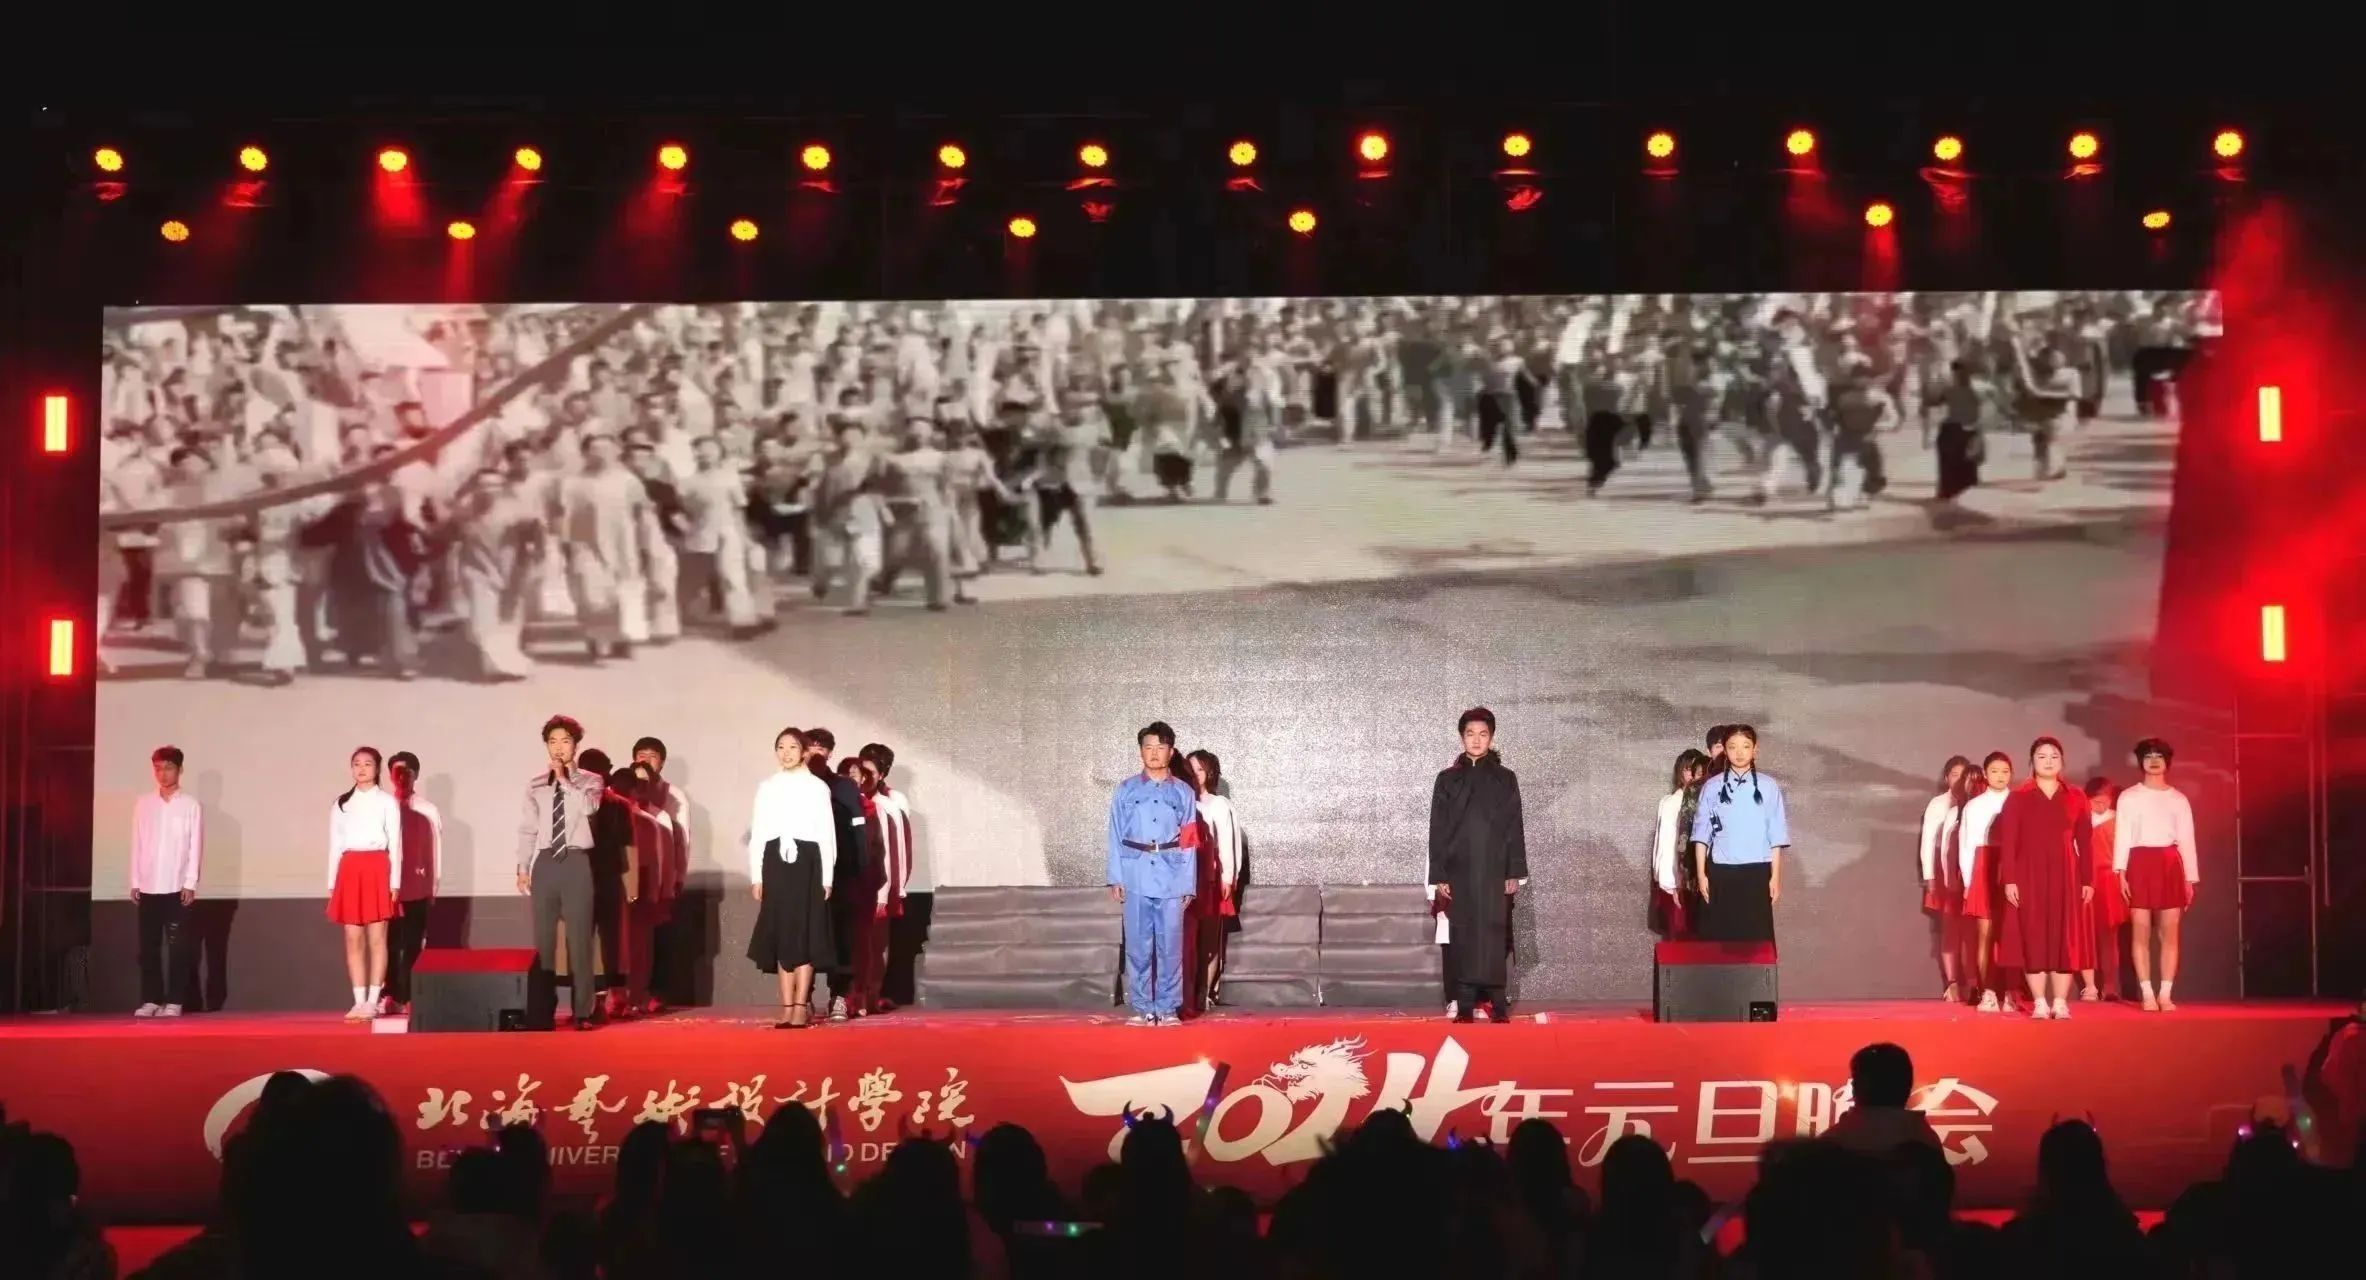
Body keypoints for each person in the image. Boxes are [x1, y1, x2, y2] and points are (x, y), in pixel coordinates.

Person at [1429, 707, 1528, 1022]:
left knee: (1495, 934)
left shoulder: (1505, 778)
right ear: (1462, 737)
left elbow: (1514, 826)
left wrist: (1514, 872)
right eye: (1470, 733)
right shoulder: (1447, 779)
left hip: (1495, 869)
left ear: (1491, 738)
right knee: (1463, 935)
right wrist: (1439, 874)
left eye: (1483, 734)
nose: (1476, 740)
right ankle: (1464, 1004)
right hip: (1459, 870)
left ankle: (1498, 1004)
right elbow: (1438, 829)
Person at [517, 715, 606, 1030]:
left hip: (576, 861)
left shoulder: (591, 781)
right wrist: (523, 866)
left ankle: (583, 1011)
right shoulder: (535, 784)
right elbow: (528, 828)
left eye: (565, 741)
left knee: (579, 940)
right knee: (543, 943)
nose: (558, 748)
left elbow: (590, 808)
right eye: (553, 742)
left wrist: (565, 781)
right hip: (545, 862)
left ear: (575, 745)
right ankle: (543, 1011)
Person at [1995, 736, 2093, 1020]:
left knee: (2065, 937)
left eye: (2054, 756)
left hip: (2066, 874)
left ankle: (2060, 1002)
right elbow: (2009, 842)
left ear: (2062, 761)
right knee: (2033, 935)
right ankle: (2039, 1001)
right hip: (2028, 873)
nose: (2048, 761)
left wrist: (2088, 880)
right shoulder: (2018, 797)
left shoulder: (2076, 796)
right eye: (2042, 756)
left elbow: (2085, 842)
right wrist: (2010, 880)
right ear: (2032, 762)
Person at [1109, 720, 1199, 1027]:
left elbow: (1189, 841)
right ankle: (1141, 1007)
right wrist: (1116, 876)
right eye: (1148, 747)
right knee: (1138, 945)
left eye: (1161, 747)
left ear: (1171, 752)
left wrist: (1188, 883)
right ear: (1141, 752)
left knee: (1170, 946)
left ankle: (1168, 1008)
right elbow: (1115, 834)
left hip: (1171, 875)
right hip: (1135, 873)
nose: (1154, 753)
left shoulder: (1184, 792)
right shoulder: (1126, 789)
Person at [746, 726, 837, 1028]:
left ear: (804, 752)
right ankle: (786, 1006)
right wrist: (756, 876)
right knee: (782, 933)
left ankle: (801, 1005)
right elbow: (759, 832)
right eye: (781, 747)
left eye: (792, 747)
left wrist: (827, 877)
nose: (786, 753)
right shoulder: (767, 786)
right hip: (775, 861)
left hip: (808, 862)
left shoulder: (816, 787)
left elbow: (826, 834)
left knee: (805, 933)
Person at [2115, 738, 2200, 1012]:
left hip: (2169, 863)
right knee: (2139, 930)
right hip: (2139, 862)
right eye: (2148, 756)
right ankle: (2147, 993)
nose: (2153, 761)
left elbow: (2187, 839)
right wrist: (2120, 871)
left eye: (2159, 756)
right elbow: (2122, 836)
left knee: (2169, 933)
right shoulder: (2129, 797)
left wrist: (2190, 879)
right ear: (2141, 761)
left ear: (2167, 762)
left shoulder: (2178, 799)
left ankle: (2165, 993)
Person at [1689, 724, 1788, 943]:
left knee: (1755, 942)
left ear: (1755, 750)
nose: (1739, 752)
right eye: (1732, 747)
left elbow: (1776, 835)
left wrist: (1775, 876)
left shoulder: (1769, 786)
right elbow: (1701, 835)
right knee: (1718, 941)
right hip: (1721, 872)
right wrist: (1701, 874)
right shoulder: (1712, 787)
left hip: (1757, 872)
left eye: (1746, 746)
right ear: (1725, 750)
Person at [327, 746, 404, 1021]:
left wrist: (395, 882)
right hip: (349, 870)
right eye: (356, 764)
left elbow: (396, 843)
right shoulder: (341, 803)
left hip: (377, 868)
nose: (361, 769)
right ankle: (358, 1000)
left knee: (377, 938)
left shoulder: (386, 802)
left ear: (377, 768)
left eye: (367, 764)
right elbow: (335, 844)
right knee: (353, 937)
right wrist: (332, 882)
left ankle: (373, 1000)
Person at [129, 744, 203, 1017]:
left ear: (179, 770)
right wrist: (135, 880)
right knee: (148, 947)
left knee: (178, 947)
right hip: (148, 885)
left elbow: (195, 845)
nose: (162, 774)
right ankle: (151, 999)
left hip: (176, 886)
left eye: (168, 768)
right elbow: (137, 842)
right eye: (158, 768)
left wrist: (190, 882)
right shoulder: (144, 804)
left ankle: (175, 1001)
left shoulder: (190, 805)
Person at [805, 727, 870, 1020]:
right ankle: (802, 997)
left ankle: (839, 996)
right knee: (805, 936)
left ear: (830, 753)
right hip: (804, 873)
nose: (816, 751)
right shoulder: (794, 785)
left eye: (822, 747)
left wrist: (861, 869)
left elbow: (859, 831)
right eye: (811, 746)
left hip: (842, 873)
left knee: (842, 936)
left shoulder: (844, 787)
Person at [628, 736, 690, 1014]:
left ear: (661, 762)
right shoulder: (621, 791)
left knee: (653, 937)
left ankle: (650, 993)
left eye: (651, 756)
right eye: (640, 755)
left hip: (660, 878)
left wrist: (678, 877)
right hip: (627, 878)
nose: (645, 760)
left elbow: (682, 840)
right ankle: (624, 994)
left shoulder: (673, 796)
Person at [384, 750, 442, 1016]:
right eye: (396, 771)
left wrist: (433, 887)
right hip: (388, 890)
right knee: (389, 943)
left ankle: (408, 996)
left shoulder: (427, 810)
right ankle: (389, 994)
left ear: (416, 775)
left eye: (407, 772)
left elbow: (435, 851)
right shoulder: (383, 808)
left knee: (412, 944)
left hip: (417, 888)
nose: (401, 777)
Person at [1957, 752, 2015, 1012]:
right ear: (1985, 774)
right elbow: (1966, 845)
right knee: (1986, 933)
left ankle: (2011, 992)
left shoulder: (2018, 801)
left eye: (2005, 771)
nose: (2000, 776)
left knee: (2011, 935)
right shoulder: (1974, 806)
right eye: (1994, 771)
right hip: (1983, 867)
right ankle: (1987, 991)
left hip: (2012, 868)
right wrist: (1968, 881)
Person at [1185, 748, 1241, 1015]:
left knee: (1209, 939)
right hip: (1183, 879)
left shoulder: (1218, 804)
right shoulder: (1181, 800)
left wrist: (1228, 876)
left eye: (1200, 769)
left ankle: (1206, 992)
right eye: (1191, 769)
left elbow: (1227, 842)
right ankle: (1186, 993)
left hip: (1210, 879)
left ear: (1209, 773)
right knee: (1187, 940)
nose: (1195, 774)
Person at [861, 742, 915, 1014]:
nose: (863, 777)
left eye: (870, 772)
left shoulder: (893, 802)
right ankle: (853, 995)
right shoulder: (846, 796)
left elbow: (899, 847)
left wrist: (896, 886)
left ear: (882, 774)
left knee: (878, 939)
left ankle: (872, 993)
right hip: (853, 880)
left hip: (882, 879)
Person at [1918, 755, 1974, 1001]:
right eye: (1954, 775)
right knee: (1950, 928)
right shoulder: (1938, 804)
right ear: (1946, 778)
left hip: (1972, 872)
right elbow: (1928, 841)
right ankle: (1952, 982)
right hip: (1946, 872)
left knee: (1973, 930)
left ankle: (1975, 983)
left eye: (1964, 775)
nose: (1959, 780)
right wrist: (1929, 875)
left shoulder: (1976, 801)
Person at [1823, 1042, 1941, 1156]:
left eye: (1855, 1078)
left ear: (1858, 1084)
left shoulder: (1833, 1142)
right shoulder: (1927, 1142)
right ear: (1908, 1085)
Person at [1651, 749, 1711, 939]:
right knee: (1680, 937)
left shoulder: (1705, 800)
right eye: (1687, 769)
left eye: (1696, 770)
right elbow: (1665, 843)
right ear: (1679, 772)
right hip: (1674, 879)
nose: (1692, 774)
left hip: (1695, 880)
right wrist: (1672, 881)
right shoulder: (1671, 802)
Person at [2084, 776, 2126, 1002]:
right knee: (2085, 934)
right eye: (2096, 802)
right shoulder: (2081, 819)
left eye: (2105, 801)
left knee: (2108, 935)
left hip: (2109, 880)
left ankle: (2110, 985)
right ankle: (2090, 985)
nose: (2101, 806)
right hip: (2086, 880)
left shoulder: (2118, 820)